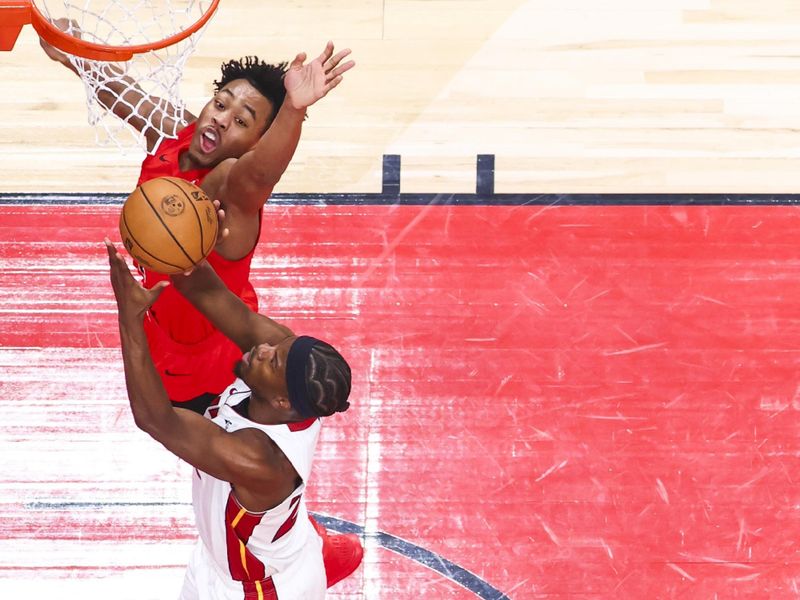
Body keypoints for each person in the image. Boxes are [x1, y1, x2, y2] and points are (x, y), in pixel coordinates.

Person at [41, 28, 356, 414]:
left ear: (256, 144)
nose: (222, 120)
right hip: (162, 318)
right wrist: (74, 51)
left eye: (243, 121)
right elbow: (128, 97)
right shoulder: (180, 134)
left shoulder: (232, 190)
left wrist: (292, 109)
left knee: (185, 433)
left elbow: (259, 176)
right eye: (220, 104)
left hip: (204, 366)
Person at [105, 236, 360, 597]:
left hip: (254, 588)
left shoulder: (259, 459)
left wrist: (130, 317)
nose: (264, 348)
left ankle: (323, 563)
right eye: (278, 346)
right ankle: (322, 556)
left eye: (273, 359)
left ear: (282, 401)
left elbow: (156, 419)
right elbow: (213, 295)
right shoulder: (287, 378)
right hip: (238, 556)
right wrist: (184, 243)